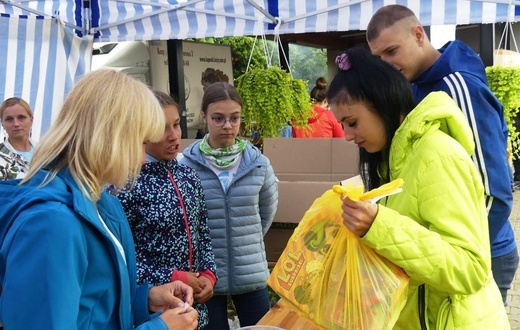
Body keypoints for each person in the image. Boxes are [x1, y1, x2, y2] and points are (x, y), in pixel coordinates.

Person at [0, 69, 199, 329]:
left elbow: (89, 302)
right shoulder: (52, 223)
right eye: (139, 143)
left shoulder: (101, 202)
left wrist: (143, 299)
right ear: (110, 137)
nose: (141, 159)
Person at [329, 47, 509, 329]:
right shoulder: (392, 160)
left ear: (383, 102)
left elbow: (470, 269)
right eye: (342, 125)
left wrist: (379, 225)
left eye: (352, 123)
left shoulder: (437, 155)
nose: (348, 136)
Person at [366, 4, 518, 305]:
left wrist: (464, 256)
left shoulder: (458, 87)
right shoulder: (414, 86)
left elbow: (495, 190)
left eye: (392, 51)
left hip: (480, 254)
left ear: (419, 35)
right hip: (441, 255)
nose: (386, 64)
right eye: (378, 58)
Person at [114, 90, 217, 329]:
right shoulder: (124, 183)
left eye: (177, 124)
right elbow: (122, 259)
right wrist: (173, 277)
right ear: (140, 131)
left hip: (195, 310)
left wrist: (209, 274)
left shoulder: (188, 176)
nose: (174, 135)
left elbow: (203, 233)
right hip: (152, 312)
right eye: (162, 128)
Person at [180, 81, 278, 329]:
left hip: (250, 271)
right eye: (218, 118)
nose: (227, 126)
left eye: (234, 118)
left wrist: (246, 240)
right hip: (205, 278)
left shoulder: (258, 164)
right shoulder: (185, 164)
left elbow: (266, 213)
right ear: (204, 118)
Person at [0, 97, 35, 180]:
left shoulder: (45, 151)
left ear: (31, 120)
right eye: (9, 119)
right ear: (2, 124)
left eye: (21, 117)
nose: (16, 124)